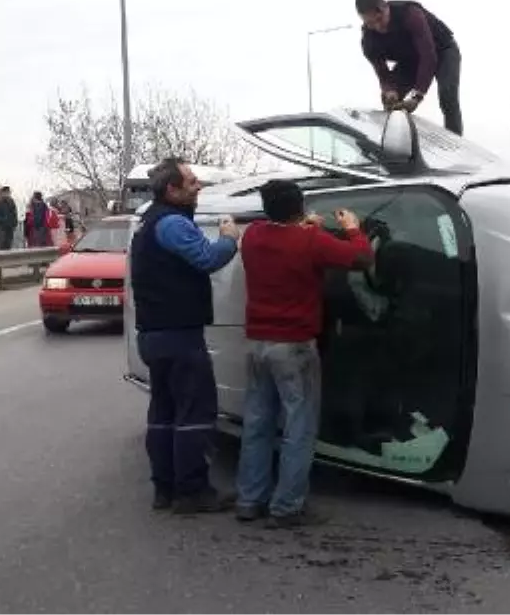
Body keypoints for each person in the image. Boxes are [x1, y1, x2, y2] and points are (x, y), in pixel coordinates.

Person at [235, 179, 373, 529]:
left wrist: (303, 226)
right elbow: (361, 257)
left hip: (257, 344)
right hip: (294, 346)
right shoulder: (310, 241)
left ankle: (249, 500)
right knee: (299, 425)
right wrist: (353, 229)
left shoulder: (252, 236)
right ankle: (286, 507)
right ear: (300, 207)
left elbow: (283, 237)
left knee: (257, 424)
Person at [130, 156, 241, 515]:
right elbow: (207, 259)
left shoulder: (150, 222)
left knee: (164, 413)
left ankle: (165, 488)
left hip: (154, 334)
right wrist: (229, 239)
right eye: (192, 182)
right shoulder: (174, 224)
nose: (199, 187)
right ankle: (192, 491)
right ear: (171, 189)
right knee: (195, 413)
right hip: (179, 335)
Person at [356, 0, 463, 136]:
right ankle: (396, 142)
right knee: (389, 100)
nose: (378, 27)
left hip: (443, 50)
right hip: (411, 60)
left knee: (447, 94)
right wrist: (390, 90)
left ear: (386, 7)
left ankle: (455, 140)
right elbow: (382, 73)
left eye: (380, 19)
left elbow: (428, 56)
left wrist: (417, 96)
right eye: (370, 23)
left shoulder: (410, 15)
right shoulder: (369, 41)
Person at [0, 186, 17, 250]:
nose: (7, 194)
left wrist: (14, 224)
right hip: (1, 227)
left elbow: (14, 214)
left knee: (9, 244)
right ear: (2, 193)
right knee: (2, 245)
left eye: (8, 192)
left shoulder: (11, 202)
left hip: (10, 227)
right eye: (6, 192)